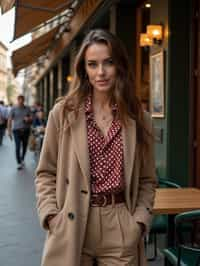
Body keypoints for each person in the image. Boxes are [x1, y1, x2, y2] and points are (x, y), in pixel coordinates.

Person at [35, 29, 156, 266]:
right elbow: (45, 173)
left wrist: (139, 221)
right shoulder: (63, 114)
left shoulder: (139, 119)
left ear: (119, 65)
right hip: (72, 220)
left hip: (120, 221)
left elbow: (148, 179)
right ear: (84, 69)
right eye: (92, 64)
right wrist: (50, 215)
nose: (100, 72)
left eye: (108, 63)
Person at [7, 95, 32, 170]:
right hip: (16, 131)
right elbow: (9, 120)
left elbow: (32, 118)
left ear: (24, 101)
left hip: (26, 130)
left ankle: (22, 159)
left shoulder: (27, 108)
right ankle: (18, 163)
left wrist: (28, 119)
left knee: (24, 146)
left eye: (22, 100)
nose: (21, 102)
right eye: (19, 100)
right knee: (17, 147)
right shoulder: (13, 108)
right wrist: (9, 131)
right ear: (17, 100)